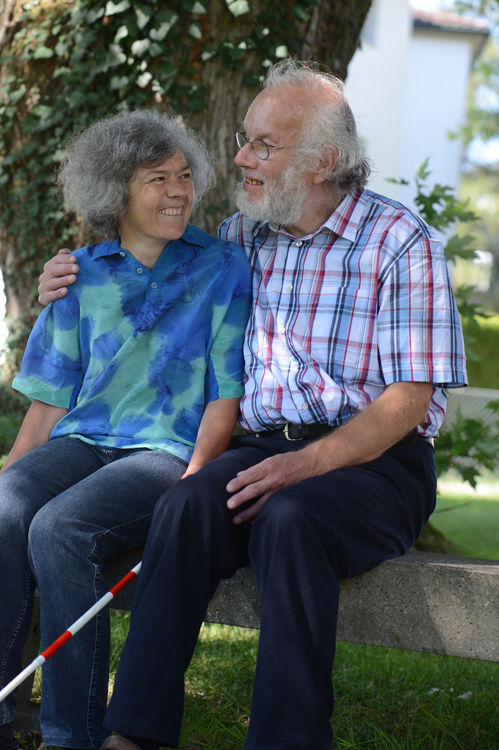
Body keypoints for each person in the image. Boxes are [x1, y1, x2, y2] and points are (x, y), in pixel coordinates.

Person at [38, 60, 467, 750]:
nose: (240, 157)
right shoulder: (240, 239)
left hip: (375, 461)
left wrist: (308, 464)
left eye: (263, 144)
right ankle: (135, 733)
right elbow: (140, 279)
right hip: (262, 449)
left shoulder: (397, 241)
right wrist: (67, 271)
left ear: (322, 161)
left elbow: (407, 400)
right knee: (182, 506)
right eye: (245, 139)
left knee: (291, 518)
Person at [0, 110, 250, 750]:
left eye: (184, 175)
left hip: (166, 452)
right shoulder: (79, 276)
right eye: (156, 178)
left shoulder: (222, 266)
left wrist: (197, 480)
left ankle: (69, 735)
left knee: (62, 528)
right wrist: (13, 473)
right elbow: (52, 399)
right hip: (85, 441)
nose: (177, 191)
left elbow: (226, 390)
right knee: (6, 508)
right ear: (116, 191)